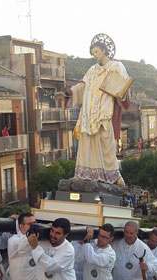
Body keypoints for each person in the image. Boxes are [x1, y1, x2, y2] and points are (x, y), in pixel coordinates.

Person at [60, 34, 130, 186]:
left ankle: (115, 176)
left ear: (104, 50)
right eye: (93, 53)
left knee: (107, 145)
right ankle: (82, 174)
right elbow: (82, 87)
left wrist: (121, 92)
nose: (95, 56)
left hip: (105, 112)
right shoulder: (92, 70)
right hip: (88, 113)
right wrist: (67, 93)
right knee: (86, 146)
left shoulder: (116, 66)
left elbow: (122, 87)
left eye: (97, 52)